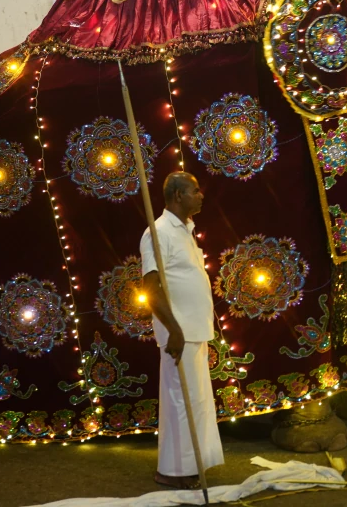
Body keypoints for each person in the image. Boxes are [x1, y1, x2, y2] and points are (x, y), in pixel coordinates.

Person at [140, 172, 222, 489]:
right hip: (179, 333)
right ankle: (171, 471)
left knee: (196, 402)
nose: (201, 195)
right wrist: (173, 329)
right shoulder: (158, 233)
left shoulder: (185, 230)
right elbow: (150, 287)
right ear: (177, 196)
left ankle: (192, 464)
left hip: (194, 331)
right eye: (194, 190)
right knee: (180, 401)